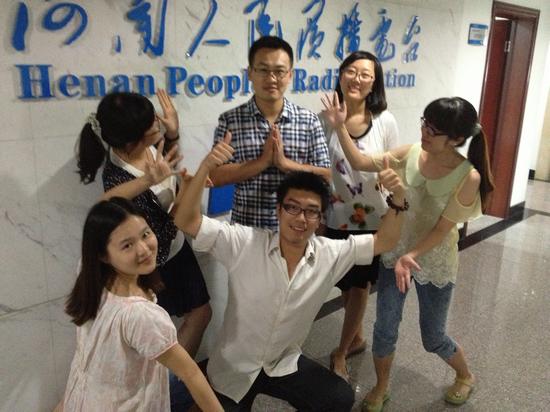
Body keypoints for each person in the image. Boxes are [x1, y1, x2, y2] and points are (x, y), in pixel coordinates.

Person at [173, 133, 410, 411]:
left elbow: (384, 241)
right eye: (292, 208)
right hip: (234, 367)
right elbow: (186, 220)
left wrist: (399, 198)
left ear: (320, 219)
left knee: (339, 397)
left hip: (283, 363)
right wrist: (204, 169)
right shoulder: (245, 243)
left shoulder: (330, 254)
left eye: (311, 211)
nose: (300, 218)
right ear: (279, 210)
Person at [321, 94, 494, 411]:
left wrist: (410, 255)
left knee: (433, 336)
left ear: (456, 139)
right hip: (396, 253)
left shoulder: (468, 176)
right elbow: (360, 162)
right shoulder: (411, 153)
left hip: (434, 259)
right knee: (384, 328)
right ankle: (381, 386)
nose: (424, 132)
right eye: (425, 123)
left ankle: (465, 375)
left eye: (433, 130)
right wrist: (339, 126)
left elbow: (442, 229)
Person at [76, 90, 211, 360]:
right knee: (164, 334)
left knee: (200, 313)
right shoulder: (118, 179)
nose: (157, 123)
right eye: (151, 124)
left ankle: (178, 379)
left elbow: (168, 165)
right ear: (130, 140)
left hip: (176, 248)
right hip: (155, 261)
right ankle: (172, 382)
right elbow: (158, 232)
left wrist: (173, 134)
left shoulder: (150, 146)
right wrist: (187, 194)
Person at [60, 197, 222, 412]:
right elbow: (190, 373)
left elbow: (104, 205)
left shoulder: (90, 278)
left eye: (145, 234)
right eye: (127, 245)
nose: (144, 249)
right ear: (104, 255)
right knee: (194, 387)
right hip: (125, 404)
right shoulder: (140, 315)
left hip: (85, 398)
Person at [318, 51, 399, 382]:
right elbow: (318, 166)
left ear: (374, 83)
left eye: (366, 74)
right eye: (351, 71)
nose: (357, 78)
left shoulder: (384, 121)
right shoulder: (323, 119)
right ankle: (357, 337)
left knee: (360, 285)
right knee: (345, 284)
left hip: (372, 220)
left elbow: (392, 164)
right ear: (340, 76)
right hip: (335, 215)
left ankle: (341, 351)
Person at [209, 35, 331, 230]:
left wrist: (286, 164)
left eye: (279, 71)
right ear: (250, 73)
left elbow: (327, 176)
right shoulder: (230, 120)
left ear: (290, 75)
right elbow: (213, 177)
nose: (271, 79)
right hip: (246, 231)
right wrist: (262, 162)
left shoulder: (309, 121)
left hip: (296, 231)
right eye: (263, 70)